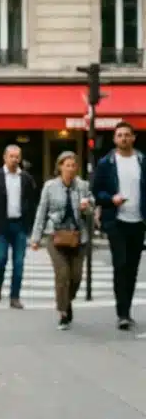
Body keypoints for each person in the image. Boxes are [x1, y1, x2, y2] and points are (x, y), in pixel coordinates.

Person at [30, 152, 94, 329]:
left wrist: (87, 206)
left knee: (77, 276)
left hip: (77, 237)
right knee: (62, 274)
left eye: (74, 165)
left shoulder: (83, 185)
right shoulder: (50, 186)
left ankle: (67, 300)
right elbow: (41, 212)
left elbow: (91, 207)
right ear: (60, 166)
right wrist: (36, 238)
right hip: (55, 236)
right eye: (67, 165)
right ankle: (63, 313)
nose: (71, 169)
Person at [91, 121, 145, 330]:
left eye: (127, 135)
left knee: (131, 268)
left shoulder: (142, 161)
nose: (123, 138)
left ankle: (127, 309)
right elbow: (97, 191)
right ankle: (121, 313)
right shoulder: (106, 163)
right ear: (115, 139)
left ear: (133, 138)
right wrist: (110, 198)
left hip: (138, 221)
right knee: (120, 265)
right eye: (119, 135)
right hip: (116, 221)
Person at [0, 145, 37, 308]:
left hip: (19, 225)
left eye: (17, 156)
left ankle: (15, 297)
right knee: (0, 259)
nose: (14, 160)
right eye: (11, 156)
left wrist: (32, 226)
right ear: (5, 157)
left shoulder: (26, 178)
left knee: (19, 263)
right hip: (1, 225)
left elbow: (32, 202)